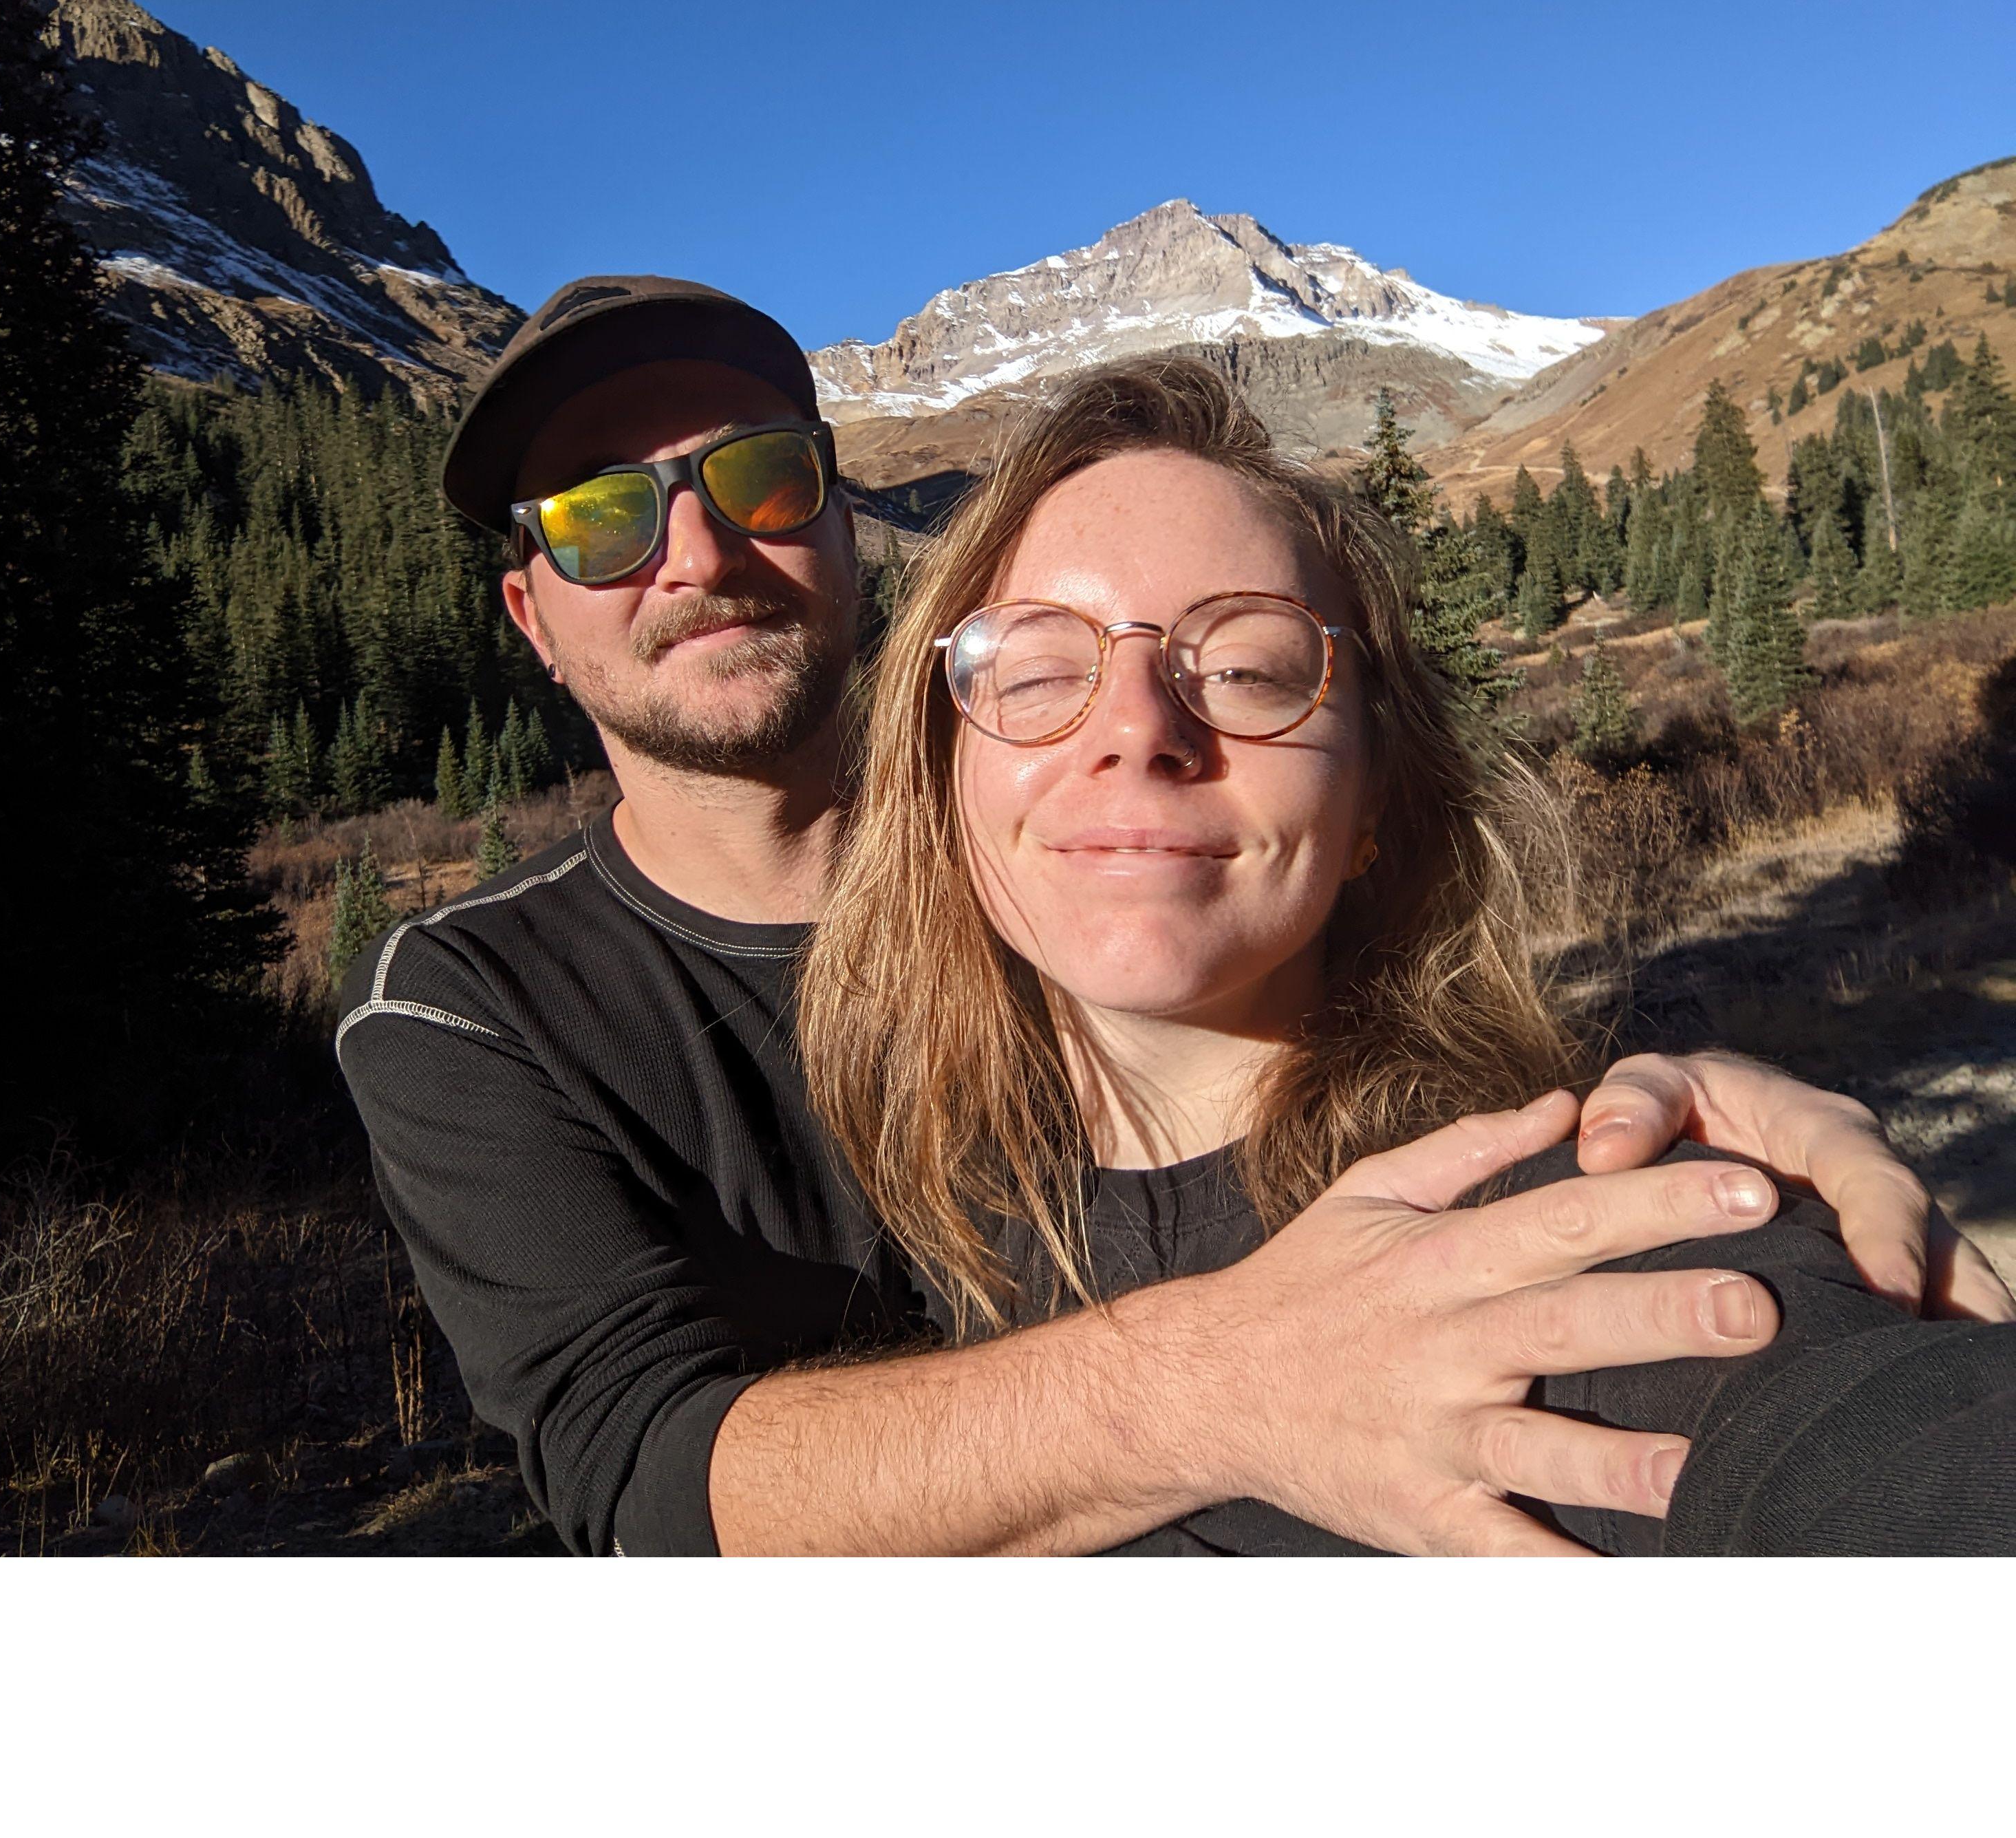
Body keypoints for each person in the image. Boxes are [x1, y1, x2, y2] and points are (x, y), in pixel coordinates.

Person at [338, 275, 2008, 1556]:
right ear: (530, 619)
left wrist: (1674, 1134)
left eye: (760, 478)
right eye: (595, 515)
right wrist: (1217, 1384)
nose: (693, 546)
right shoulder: (467, 1007)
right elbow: (642, 1481)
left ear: (849, 535)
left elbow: (1847, 1438)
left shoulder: (1076, 867)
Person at [797, 354, 2016, 1553]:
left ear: (1376, 797)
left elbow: (1878, 1449)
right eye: (1037, 667)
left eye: (1245, 670)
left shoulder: (1569, 1240)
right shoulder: (859, 1213)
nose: (1135, 728)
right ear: (942, 780)